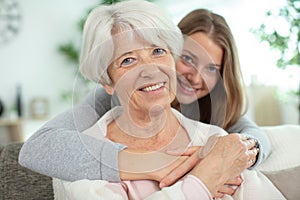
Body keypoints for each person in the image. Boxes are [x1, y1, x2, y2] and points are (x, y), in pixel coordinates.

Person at [19, 0, 270, 196]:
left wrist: (241, 151)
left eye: (212, 68)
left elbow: (254, 137)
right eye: (189, 59)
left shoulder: (214, 125)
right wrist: (150, 162)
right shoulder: (106, 102)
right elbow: (37, 147)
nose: (196, 77)